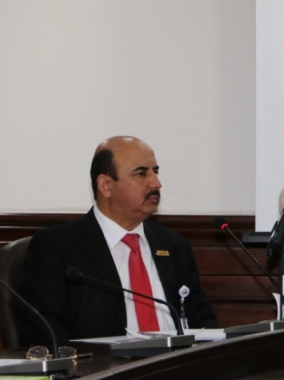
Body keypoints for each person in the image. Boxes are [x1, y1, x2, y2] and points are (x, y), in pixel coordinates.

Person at [18, 136, 219, 344]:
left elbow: (202, 320)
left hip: (176, 361)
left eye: (155, 171)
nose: (156, 183)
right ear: (106, 185)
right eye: (141, 173)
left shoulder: (173, 245)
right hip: (103, 363)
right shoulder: (57, 246)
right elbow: (45, 332)